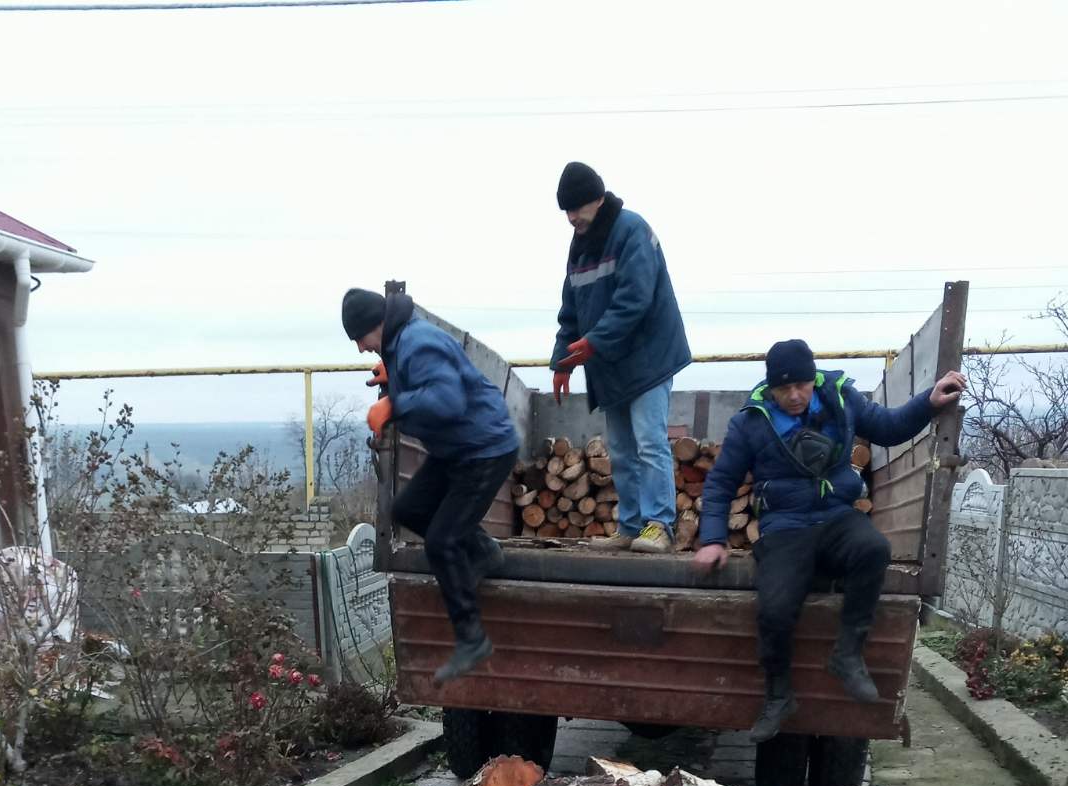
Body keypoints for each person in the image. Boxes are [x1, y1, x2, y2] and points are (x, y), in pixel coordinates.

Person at [694, 339, 966, 742]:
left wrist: (929, 401)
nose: (793, 396)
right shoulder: (751, 421)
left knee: (874, 549)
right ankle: (779, 696)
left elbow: (889, 427)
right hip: (784, 528)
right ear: (770, 388)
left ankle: (847, 654)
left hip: (837, 516)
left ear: (813, 378)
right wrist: (713, 538)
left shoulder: (840, 398)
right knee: (774, 609)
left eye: (800, 385)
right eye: (783, 389)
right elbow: (720, 483)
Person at [342, 285, 519, 684]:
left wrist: (395, 403)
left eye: (360, 339)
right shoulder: (402, 343)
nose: (360, 349)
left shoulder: (418, 342)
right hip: (458, 448)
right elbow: (427, 383)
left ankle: (472, 637)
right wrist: (396, 381)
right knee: (407, 510)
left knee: (441, 541)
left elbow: (447, 400)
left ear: (377, 325)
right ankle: (485, 552)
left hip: (484, 449)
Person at [549, 161, 691, 553]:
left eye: (577, 207)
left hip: (649, 358)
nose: (571, 217)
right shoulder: (579, 247)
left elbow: (635, 300)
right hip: (611, 365)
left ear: (598, 198)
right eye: (566, 210)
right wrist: (561, 361)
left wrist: (594, 342)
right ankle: (630, 526)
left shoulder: (632, 230)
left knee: (649, 443)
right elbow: (570, 311)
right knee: (623, 450)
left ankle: (660, 525)